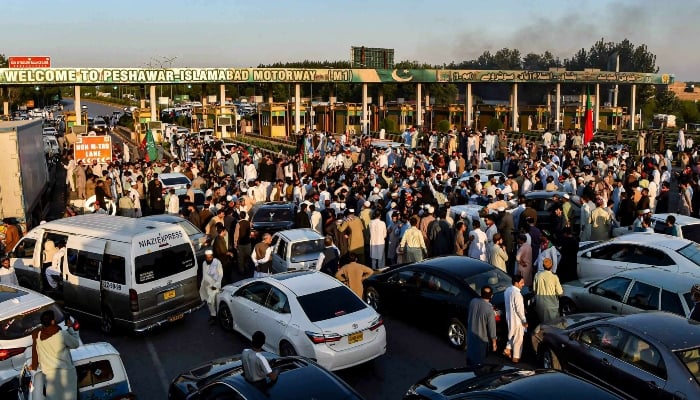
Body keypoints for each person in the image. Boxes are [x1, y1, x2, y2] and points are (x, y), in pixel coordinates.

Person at [30, 310, 80, 400]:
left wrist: (33, 365)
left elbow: (35, 352)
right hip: (66, 374)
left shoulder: (38, 335)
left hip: (49, 377)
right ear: (52, 322)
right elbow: (76, 343)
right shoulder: (62, 335)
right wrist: (70, 328)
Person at [466, 286, 497, 368]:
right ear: (491, 296)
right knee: (479, 363)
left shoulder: (473, 301)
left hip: (470, 336)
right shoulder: (489, 309)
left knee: (470, 359)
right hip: (481, 339)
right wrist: (494, 343)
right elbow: (492, 328)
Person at [503, 274, 527, 363]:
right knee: (518, 339)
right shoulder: (517, 294)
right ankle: (515, 358)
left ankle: (508, 349)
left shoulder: (507, 290)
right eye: (521, 283)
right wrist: (524, 321)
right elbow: (519, 310)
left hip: (509, 318)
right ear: (516, 283)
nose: (523, 284)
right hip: (517, 320)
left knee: (512, 334)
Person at [533, 258, 563, 323]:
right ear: (551, 266)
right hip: (551, 306)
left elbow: (534, 290)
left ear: (543, 266)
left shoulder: (537, 275)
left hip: (540, 305)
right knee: (553, 326)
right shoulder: (554, 277)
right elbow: (560, 293)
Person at [199, 249, 223, 325]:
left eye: (210, 257)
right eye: (207, 257)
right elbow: (204, 275)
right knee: (209, 302)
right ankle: (213, 315)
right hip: (207, 286)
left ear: (212, 256)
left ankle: (214, 316)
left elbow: (220, 275)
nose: (208, 259)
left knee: (212, 301)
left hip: (215, 286)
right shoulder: (204, 263)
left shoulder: (217, 262)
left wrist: (215, 285)